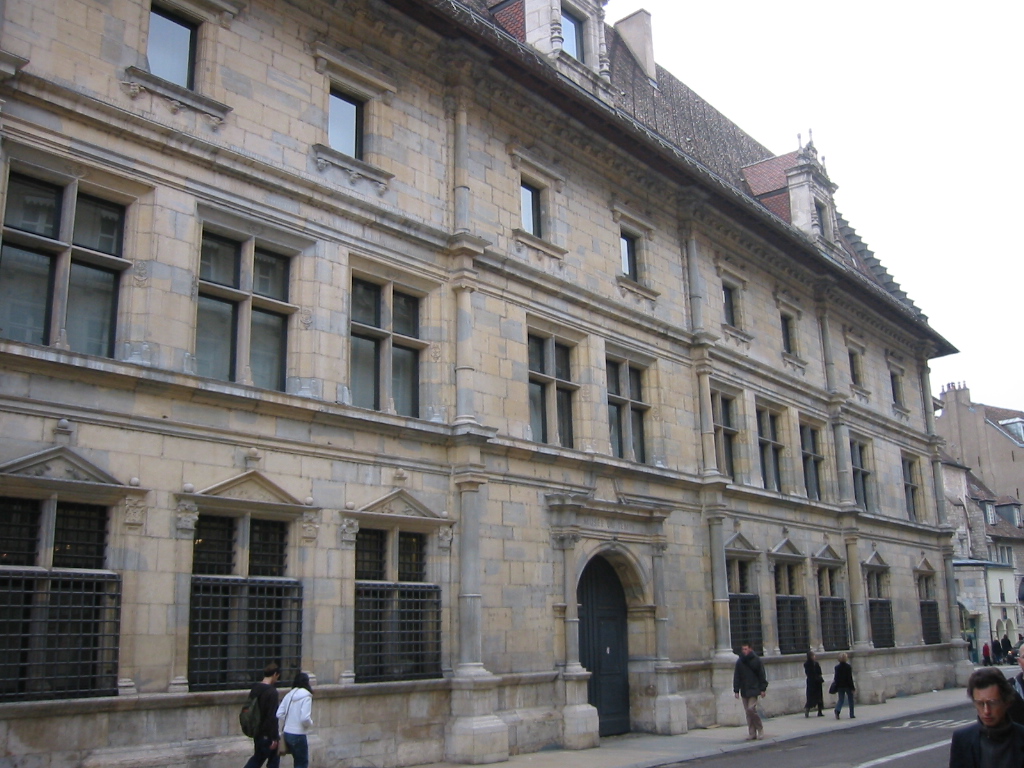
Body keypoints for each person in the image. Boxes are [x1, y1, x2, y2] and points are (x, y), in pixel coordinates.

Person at [949, 668, 1024, 768]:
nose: (986, 711)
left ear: (1006, 702)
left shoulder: (1021, 737)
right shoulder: (963, 739)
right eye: (980, 703)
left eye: (992, 703)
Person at [244, 662, 282, 768]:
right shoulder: (272, 692)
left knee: (259, 757)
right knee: (265, 759)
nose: (277, 679)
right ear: (275, 674)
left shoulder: (255, 688)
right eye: (277, 677)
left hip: (257, 731)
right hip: (267, 733)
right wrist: (274, 737)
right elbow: (272, 716)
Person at [276, 672, 315, 768]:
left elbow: (279, 713)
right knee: (301, 763)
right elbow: (305, 718)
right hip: (299, 734)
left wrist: (290, 720)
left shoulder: (289, 695)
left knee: (297, 761)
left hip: (287, 733)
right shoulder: (307, 697)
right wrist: (310, 723)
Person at [733, 641, 768, 740]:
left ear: (750, 649)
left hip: (754, 688)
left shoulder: (756, 660)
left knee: (751, 709)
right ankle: (752, 733)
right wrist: (736, 690)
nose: (744, 651)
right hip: (744, 689)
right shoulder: (740, 661)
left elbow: (761, 675)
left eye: (746, 649)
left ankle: (760, 728)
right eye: (743, 649)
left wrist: (762, 689)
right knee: (748, 713)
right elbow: (737, 676)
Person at [832, 652, 856, 719]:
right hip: (847, 685)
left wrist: (836, 685)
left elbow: (836, 678)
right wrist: (852, 687)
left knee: (841, 699)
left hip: (840, 686)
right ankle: (851, 714)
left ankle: (837, 710)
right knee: (851, 700)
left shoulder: (837, 667)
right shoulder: (848, 667)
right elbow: (849, 678)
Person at [803, 650, 824, 717]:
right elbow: (819, 672)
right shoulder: (815, 664)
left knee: (811, 697)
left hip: (811, 682)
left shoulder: (806, 664)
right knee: (818, 697)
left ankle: (808, 709)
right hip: (816, 682)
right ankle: (819, 711)